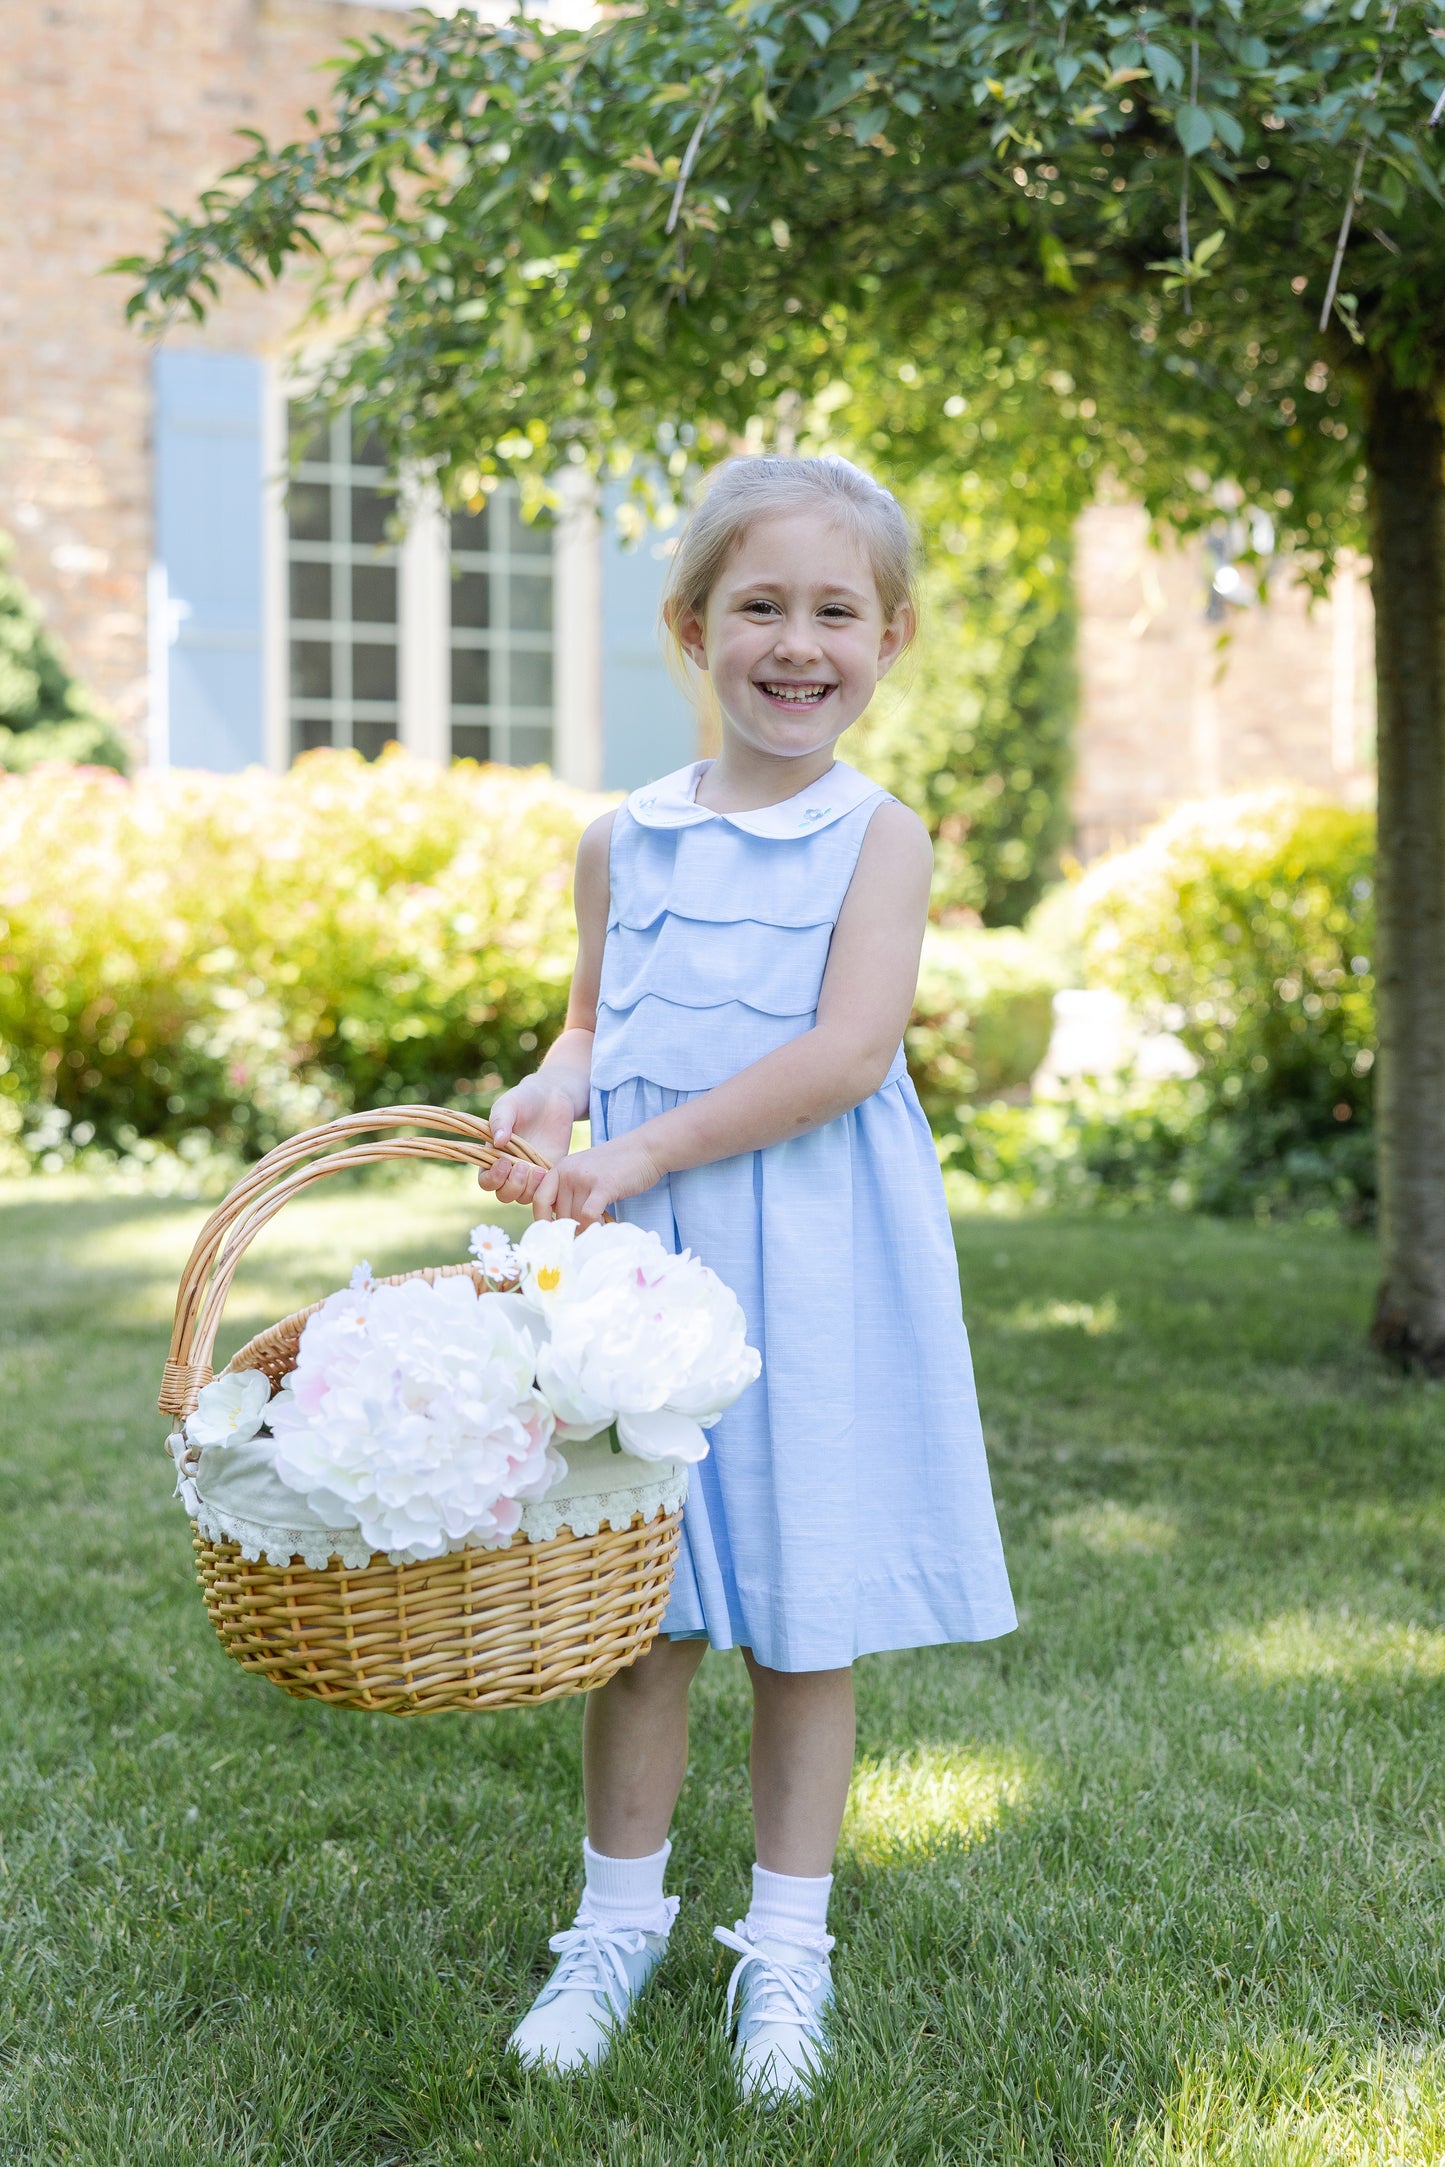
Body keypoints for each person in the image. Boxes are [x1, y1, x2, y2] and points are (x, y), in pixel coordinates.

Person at [476, 453, 1015, 2105]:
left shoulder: (879, 838)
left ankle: (786, 1948)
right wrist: (553, 1087)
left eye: (833, 611)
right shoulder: (618, 840)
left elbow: (847, 1058)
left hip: (811, 1259)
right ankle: (616, 1924)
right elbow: (592, 1019)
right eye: (758, 606)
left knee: (800, 1609)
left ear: (891, 634)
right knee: (636, 1609)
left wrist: (643, 1150)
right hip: (647, 1270)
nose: (797, 643)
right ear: (690, 626)